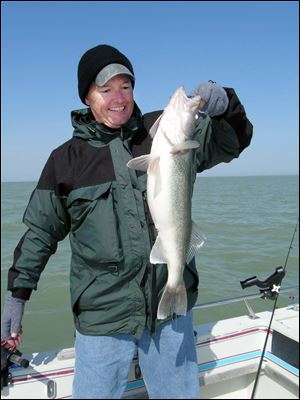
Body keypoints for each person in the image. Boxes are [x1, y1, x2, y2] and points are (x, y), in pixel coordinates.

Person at [1, 44, 253, 399]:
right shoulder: (65, 160)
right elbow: (41, 233)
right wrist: (18, 295)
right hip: (103, 316)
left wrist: (227, 105)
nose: (118, 98)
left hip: (169, 314)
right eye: (106, 90)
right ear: (87, 96)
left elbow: (232, 142)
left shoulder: (160, 131)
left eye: (126, 87)